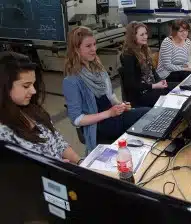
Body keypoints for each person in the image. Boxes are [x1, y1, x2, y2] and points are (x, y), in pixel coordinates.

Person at [63, 26, 150, 154]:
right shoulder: (71, 81)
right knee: (146, 115)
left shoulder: (98, 69)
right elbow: (76, 119)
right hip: (98, 126)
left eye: (94, 44)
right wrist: (109, 113)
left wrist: (120, 105)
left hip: (111, 117)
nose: (94, 49)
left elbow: (110, 96)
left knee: (147, 113)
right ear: (76, 49)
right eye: (88, 46)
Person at [0, 52, 81, 164]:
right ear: (4, 86)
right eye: (26, 86)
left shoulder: (33, 110)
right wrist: (57, 168)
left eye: (33, 84)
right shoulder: (4, 133)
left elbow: (58, 141)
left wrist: (79, 161)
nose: (33, 91)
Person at [120, 21, 176, 108]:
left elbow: (152, 71)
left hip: (151, 88)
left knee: (178, 87)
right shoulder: (128, 56)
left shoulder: (144, 50)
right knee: (172, 96)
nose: (146, 37)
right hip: (140, 95)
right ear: (133, 37)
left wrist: (160, 80)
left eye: (146, 33)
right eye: (142, 35)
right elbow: (131, 85)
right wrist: (154, 86)